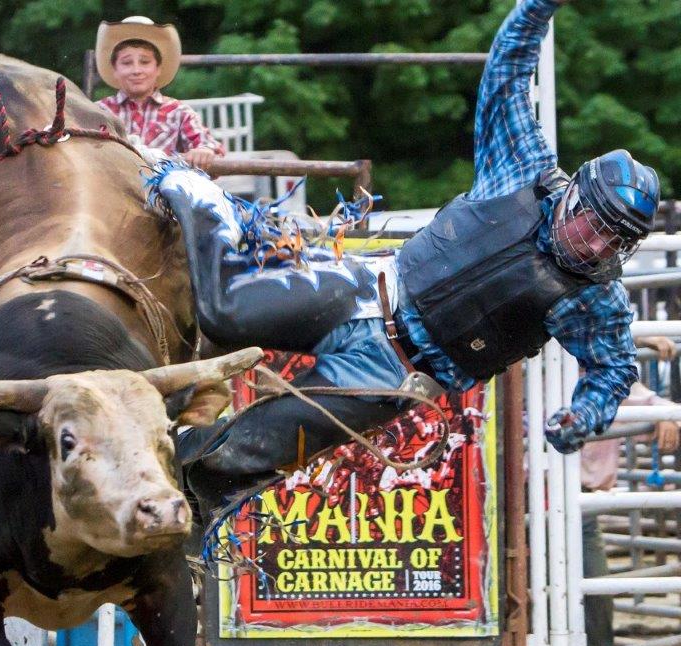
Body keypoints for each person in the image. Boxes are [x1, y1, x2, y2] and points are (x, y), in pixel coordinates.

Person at [154, 0, 660, 510]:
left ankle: (160, 487)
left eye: (615, 241)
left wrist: (584, 416)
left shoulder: (597, 300)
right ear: (575, 196)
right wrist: (537, 8)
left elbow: (613, 370)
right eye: (595, 225)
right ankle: (195, 192)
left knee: (245, 455)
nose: (596, 245)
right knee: (225, 313)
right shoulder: (523, 171)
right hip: (366, 292)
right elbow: (506, 70)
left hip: (392, 378)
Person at [580, 337, 680, 646]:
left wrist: (667, 418)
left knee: (593, 589)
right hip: (535, 496)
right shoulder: (551, 369)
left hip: (582, 501)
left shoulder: (611, 380)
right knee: (586, 587)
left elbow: (659, 406)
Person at [95, 16, 225, 171]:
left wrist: (204, 152)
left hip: (164, 192)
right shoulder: (98, 112)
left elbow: (209, 145)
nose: (136, 70)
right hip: (111, 190)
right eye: (127, 63)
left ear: (158, 69)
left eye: (145, 62)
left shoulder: (178, 112)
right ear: (115, 70)